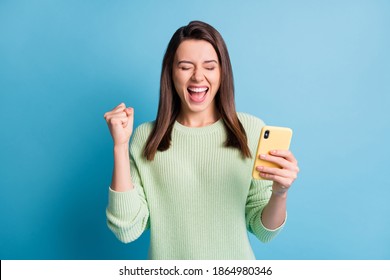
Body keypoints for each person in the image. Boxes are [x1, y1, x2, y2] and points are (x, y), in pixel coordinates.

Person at [104, 20, 299, 260]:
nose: (198, 77)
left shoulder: (251, 130)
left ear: (222, 72)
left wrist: (280, 193)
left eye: (209, 66)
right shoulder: (146, 137)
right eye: (186, 67)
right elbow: (126, 229)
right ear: (171, 73)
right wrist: (120, 146)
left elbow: (264, 231)